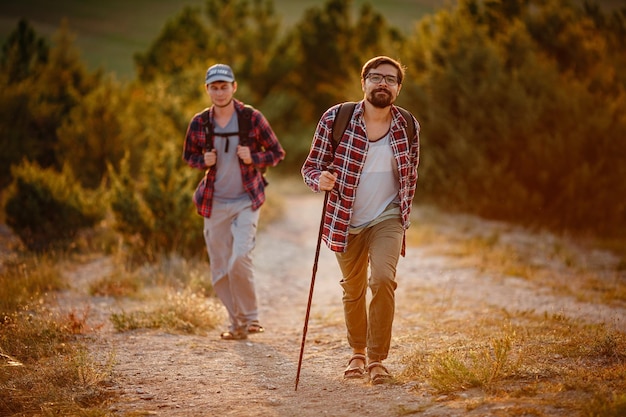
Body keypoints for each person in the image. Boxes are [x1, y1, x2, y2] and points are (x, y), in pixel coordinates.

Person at [301, 56, 420, 384]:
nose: (383, 83)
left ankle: (376, 359)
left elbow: (412, 173)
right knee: (353, 289)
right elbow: (310, 167)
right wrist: (319, 180)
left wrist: (403, 214)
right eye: (376, 77)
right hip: (345, 218)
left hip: (388, 216)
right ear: (363, 82)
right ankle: (356, 352)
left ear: (398, 88)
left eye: (391, 79)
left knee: (382, 279)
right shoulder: (335, 119)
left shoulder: (407, 125)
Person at [183, 63, 285, 340]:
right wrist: (201, 161)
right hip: (213, 202)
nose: (219, 92)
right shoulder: (200, 122)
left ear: (234, 87)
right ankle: (235, 324)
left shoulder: (251, 118)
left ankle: (251, 318)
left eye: (224, 86)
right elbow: (188, 157)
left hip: (246, 200)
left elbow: (277, 152)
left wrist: (254, 157)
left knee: (240, 258)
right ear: (207, 90)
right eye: (213, 88)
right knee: (219, 268)